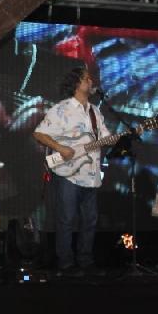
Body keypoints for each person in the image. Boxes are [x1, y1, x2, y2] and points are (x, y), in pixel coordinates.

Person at [32, 66, 111, 275]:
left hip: (91, 175)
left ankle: (85, 261)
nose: (91, 82)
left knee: (90, 220)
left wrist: (119, 138)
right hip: (67, 174)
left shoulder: (95, 112)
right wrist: (60, 148)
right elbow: (39, 133)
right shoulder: (61, 109)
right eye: (87, 79)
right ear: (77, 84)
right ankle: (66, 264)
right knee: (66, 219)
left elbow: (105, 137)